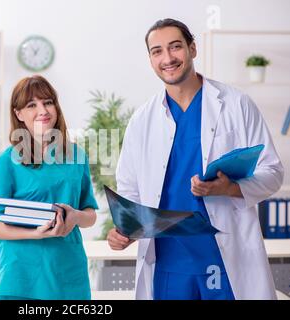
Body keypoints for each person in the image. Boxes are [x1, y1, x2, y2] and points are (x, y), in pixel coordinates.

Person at [107, 18, 284, 300]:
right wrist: (125, 230)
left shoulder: (236, 104)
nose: (167, 58)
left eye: (175, 47)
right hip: (168, 263)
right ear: (150, 59)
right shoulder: (142, 120)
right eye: (157, 51)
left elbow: (273, 172)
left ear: (192, 49)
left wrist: (230, 189)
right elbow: (129, 190)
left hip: (226, 258)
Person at [0, 75, 98, 300]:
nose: (43, 110)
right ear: (18, 114)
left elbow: (90, 215)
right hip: (22, 279)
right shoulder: (5, 162)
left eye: (48, 102)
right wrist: (35, 234)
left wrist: (75, 216)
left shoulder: (76, 156)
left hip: (68, 275)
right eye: (31, 105)